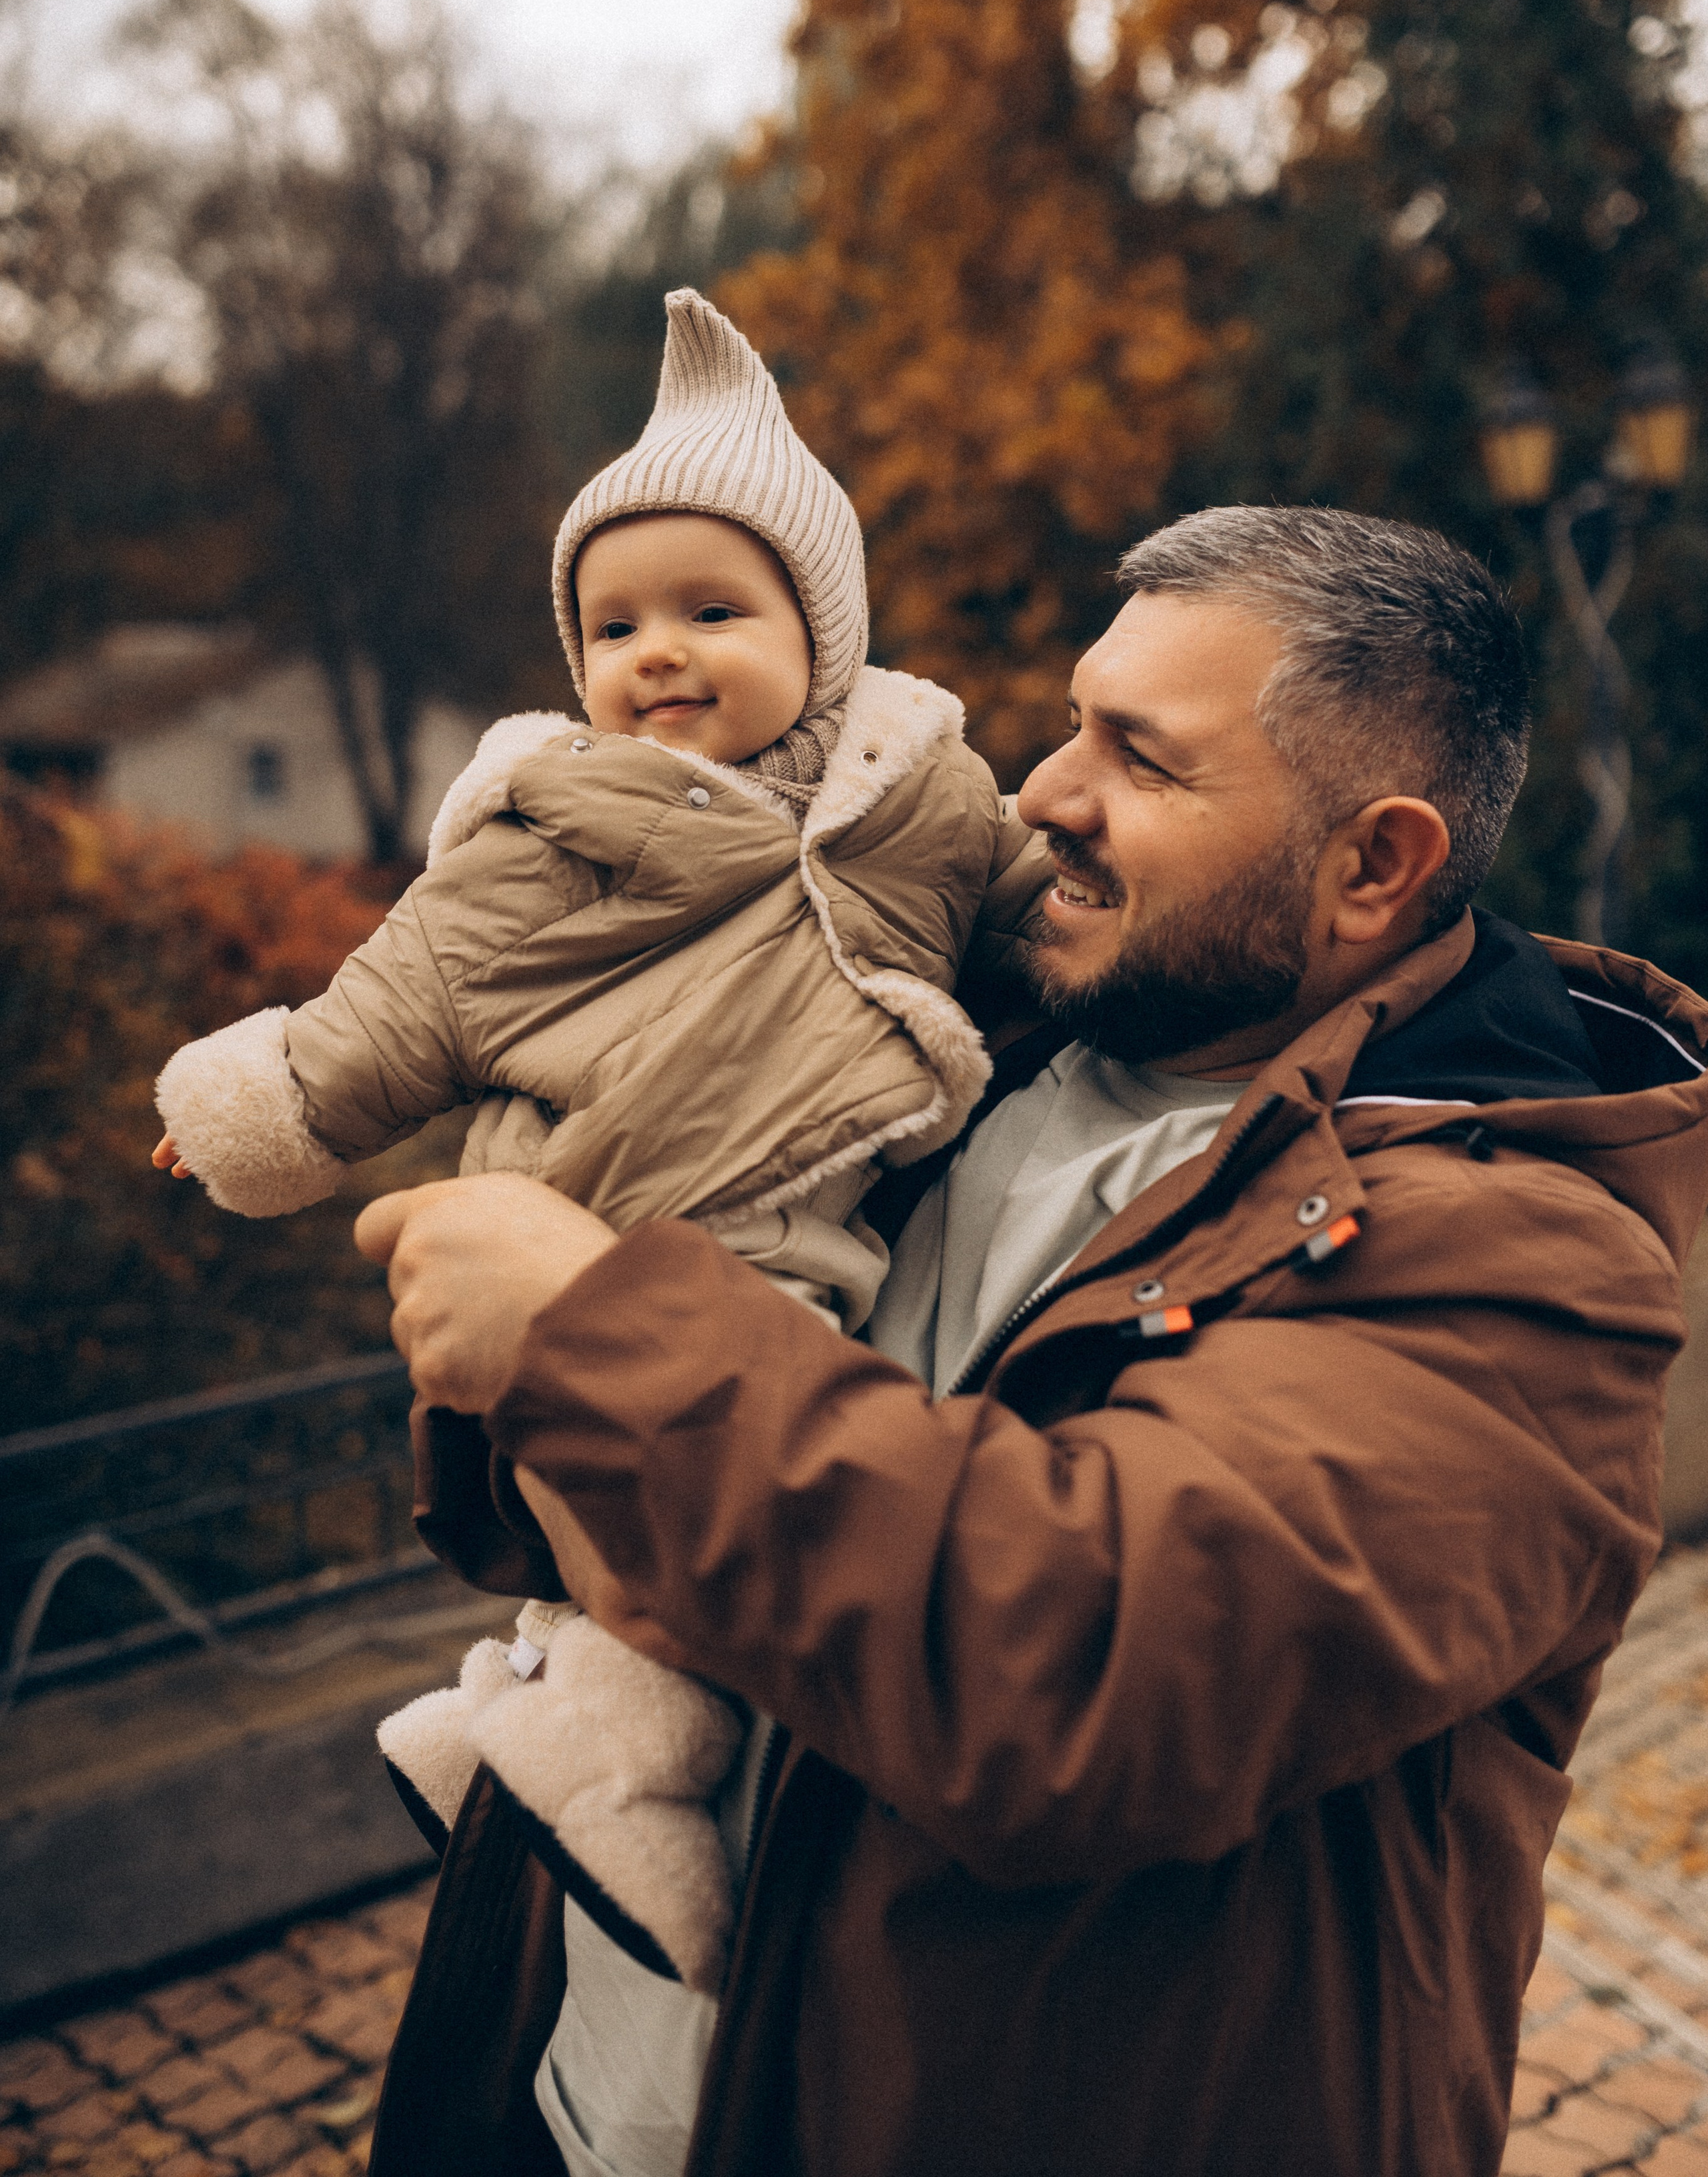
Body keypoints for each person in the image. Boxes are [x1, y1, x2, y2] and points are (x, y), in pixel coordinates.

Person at [358, 504, 1708, 2177]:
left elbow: (1091, 1667)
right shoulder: (965, 1027)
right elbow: (584, 1462)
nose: (1042, 792)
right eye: (1070, 721)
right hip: (572, 2094)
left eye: (1135, 756)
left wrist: (586, 1333)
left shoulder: (1526, 1266)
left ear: (1374, 864)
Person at [151, 286, 1047, 1998]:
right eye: (616, 622)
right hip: (599, 1227)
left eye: (713, 607)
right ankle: (608, 1764)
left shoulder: (919, 797)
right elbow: (397, 1000)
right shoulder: (549, 833)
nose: (659, 653)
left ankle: (494, 1726)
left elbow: (1021, 904)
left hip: (810, 1222)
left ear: (826, 634)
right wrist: (256, 1108)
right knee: (681, 1527)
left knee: (753, 1493)